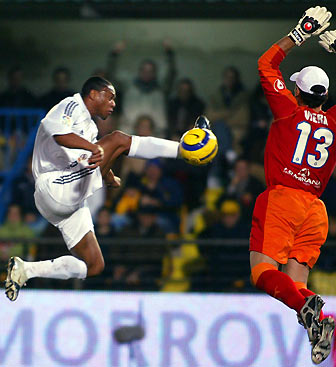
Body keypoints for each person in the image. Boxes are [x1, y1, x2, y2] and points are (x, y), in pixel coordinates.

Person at [249, 6, 336, 365]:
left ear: (297, 89)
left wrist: (300, 32)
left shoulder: (287, 110)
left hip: (282, 200)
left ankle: (308, 306)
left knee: (263, 273)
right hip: (315, 209)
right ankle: (317, 320)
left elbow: (265, 65)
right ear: (324, 95)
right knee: (297, 283)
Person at [4, 76, 198, 302]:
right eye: (110, 97)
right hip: (53, 185)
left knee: (94, 265)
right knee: (118, 139)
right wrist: (93, 148)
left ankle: (26, 270)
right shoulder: (71, 105)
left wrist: (107, 175)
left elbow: (93, 158)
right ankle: (183, 149)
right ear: (93, 94)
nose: (114, 104)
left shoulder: (90, 127)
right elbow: (59, 135)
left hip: (67, 200)